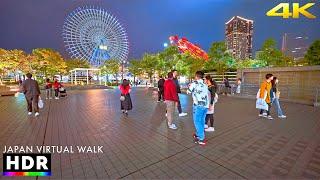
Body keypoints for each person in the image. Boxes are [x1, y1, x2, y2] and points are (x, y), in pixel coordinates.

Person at [188, 71, 210, 145]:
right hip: (205, 106)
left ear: (196, 76)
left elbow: (188, 92)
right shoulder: (205, 84)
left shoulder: (194, 84)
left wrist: (190, 86)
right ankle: (198, 134)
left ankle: (201, 138)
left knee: (197, 121)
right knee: (202, 120)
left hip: (198, 106)